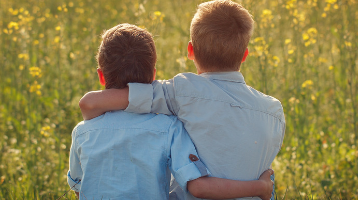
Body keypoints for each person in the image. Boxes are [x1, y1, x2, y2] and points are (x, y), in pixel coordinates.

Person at [78, 1, 285, 199]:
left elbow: (96, 102)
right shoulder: (274, 112)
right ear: (244, 55)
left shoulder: (182, 91)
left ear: (190, 50)